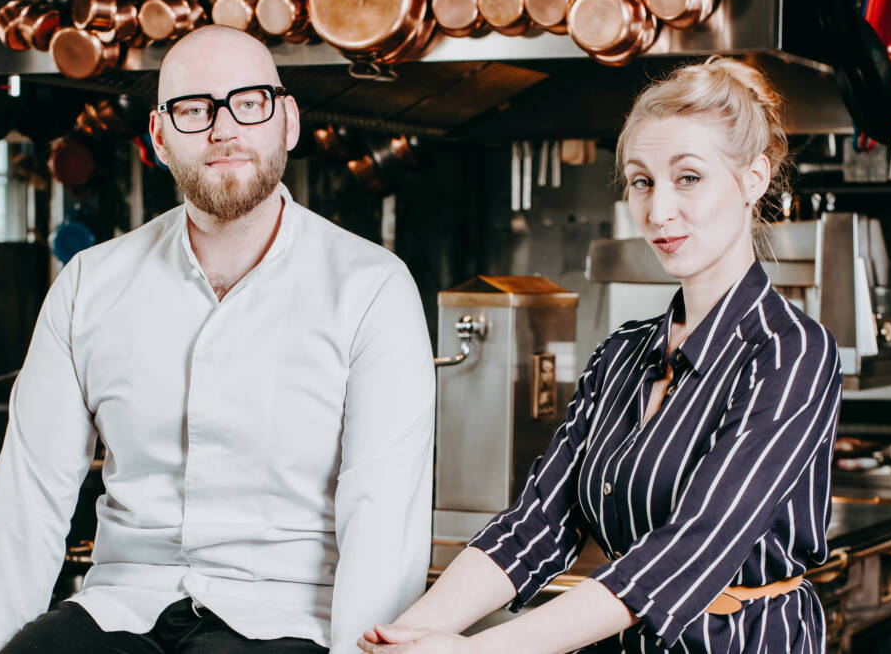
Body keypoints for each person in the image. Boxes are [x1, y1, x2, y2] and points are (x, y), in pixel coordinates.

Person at [0, 25, 435, 654]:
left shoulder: (372, 287)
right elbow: (28, 499)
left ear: (288, 123)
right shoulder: (90, 284)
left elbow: (383, 520)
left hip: (288, 610)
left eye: (250, 103)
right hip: (122, 604)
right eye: (193, 109)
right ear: (159, 137)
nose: (223, 130)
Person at [359, 58, 842, 653]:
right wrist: (406, 635)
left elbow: (692, 548)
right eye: (642, 181)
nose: (659, 211)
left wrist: (480, 651)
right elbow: (534, 526)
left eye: (688, 177)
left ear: (753, 179)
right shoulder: (621, 355)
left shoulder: (789, 350)